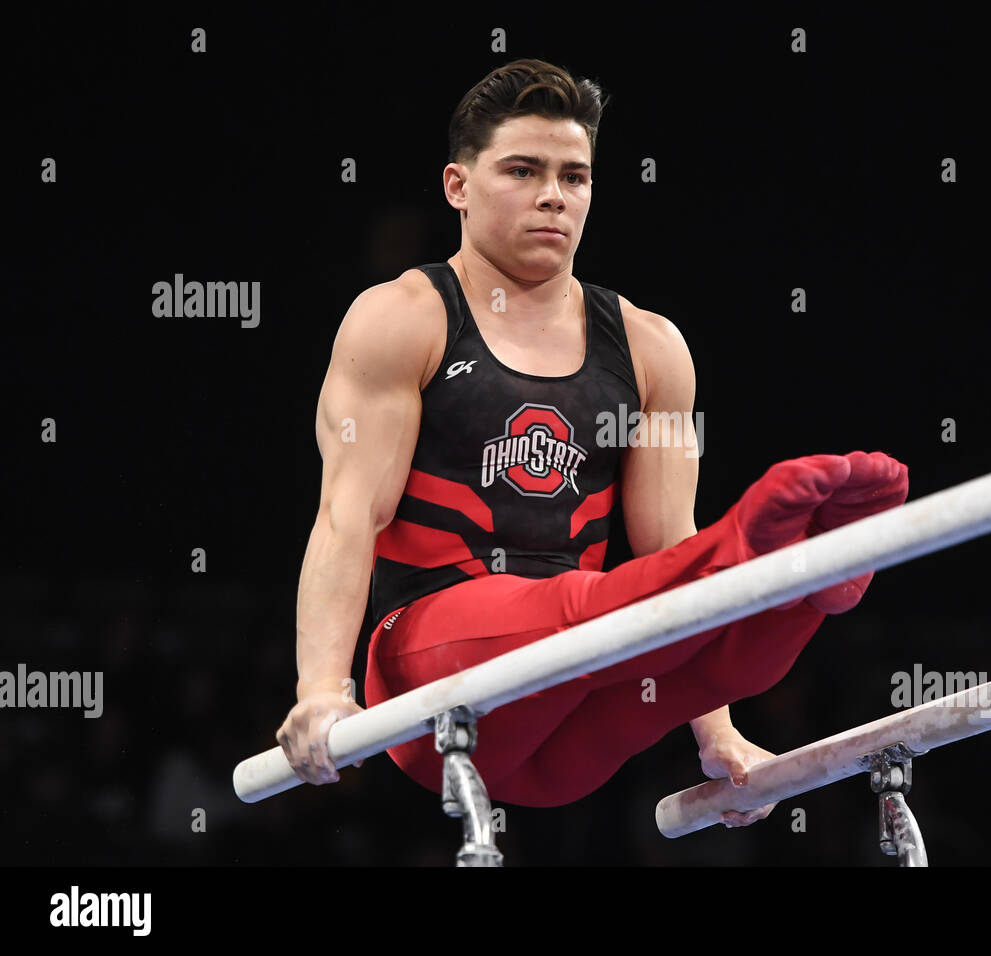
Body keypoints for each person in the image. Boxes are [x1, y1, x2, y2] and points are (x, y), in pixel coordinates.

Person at [276, 58, 908, 829]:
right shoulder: (401, 319)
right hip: (425, 674)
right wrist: (320, 691)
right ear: (458, 187)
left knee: (699, 636)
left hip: (570, 715)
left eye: (574, 176)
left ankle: (804, 590)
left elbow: (667, 555)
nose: (553, 194)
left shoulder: (651, 348)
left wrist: (719, 739)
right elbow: (348, 519)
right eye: (522, 169)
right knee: (588, 608)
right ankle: (761, 549)